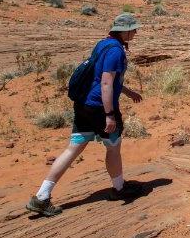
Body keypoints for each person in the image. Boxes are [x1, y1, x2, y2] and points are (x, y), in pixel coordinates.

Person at [26, 12, 144, 216]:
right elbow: (106, 82)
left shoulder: (103, 44)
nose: (135, 32)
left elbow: (102, 77)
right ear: (124, 31)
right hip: (100, 107)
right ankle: (119, 188)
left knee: (73, 149)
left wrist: (127, 91)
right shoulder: (116, 51)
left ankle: (42, 197)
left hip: (84, 104)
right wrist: (109, 114)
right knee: (113, 147)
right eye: (133, 29)